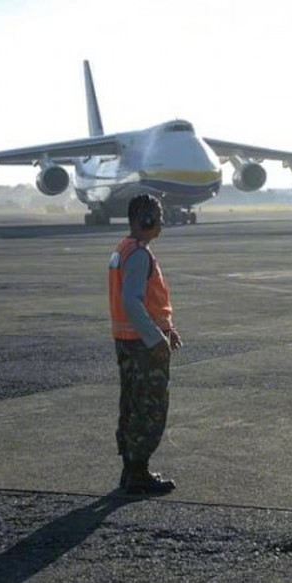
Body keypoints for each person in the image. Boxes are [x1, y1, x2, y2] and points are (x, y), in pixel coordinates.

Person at [108, 194, 183, 493]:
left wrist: (168, 328)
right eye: (158, 216)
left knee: (131, 404)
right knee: (149, 408)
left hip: (127, 341)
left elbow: (146, 303)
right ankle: (138, 472)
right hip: (141, 345)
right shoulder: (139, 255)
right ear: (144, 218)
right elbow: (132, 301)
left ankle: (131, 470)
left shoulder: (123, 249)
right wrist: (155, 339)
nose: (162, 222)